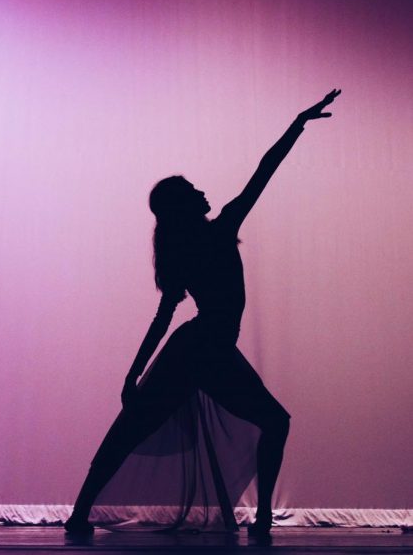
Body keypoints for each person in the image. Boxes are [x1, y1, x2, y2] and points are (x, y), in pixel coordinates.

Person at [65, 90, 341, 538]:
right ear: (185, 206)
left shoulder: (185, 248)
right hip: (206, 346)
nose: (203, 191)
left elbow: (161, 320)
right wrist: (298, 123)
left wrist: (133, 374)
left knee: (131, 430)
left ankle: (80, 515)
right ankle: (265, 518)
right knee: (272, 421)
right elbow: (264, 171)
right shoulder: (218, 231)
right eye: (195, 190)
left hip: (197, 347)